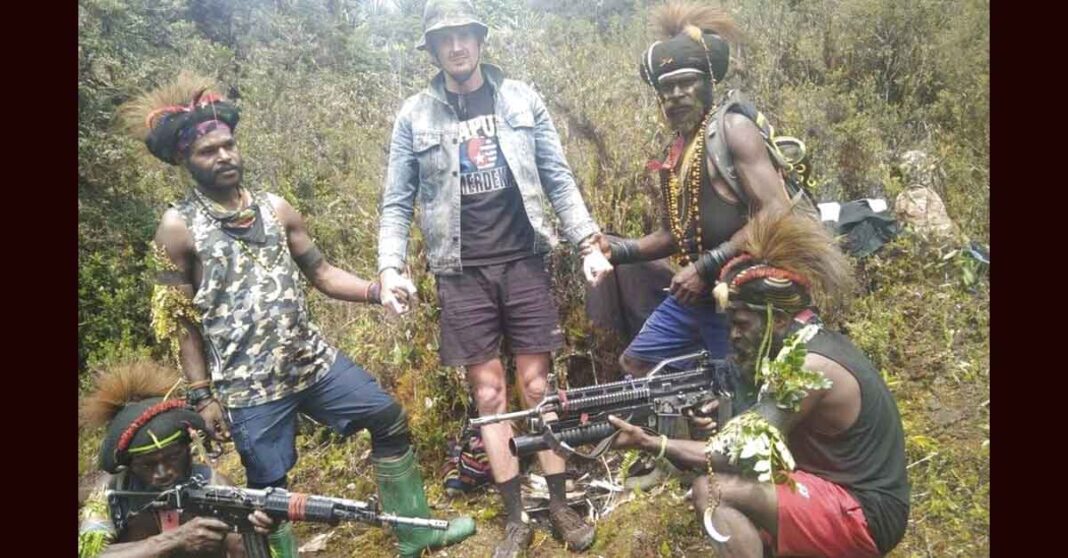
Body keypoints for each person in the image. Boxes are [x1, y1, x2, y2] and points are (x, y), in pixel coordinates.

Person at [121, 72, 474, 558]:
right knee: (269, 492)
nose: (223, 156)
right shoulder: (178, 228)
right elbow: (181, 322)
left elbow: (323, 273)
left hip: (311, 362)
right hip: (249, 386)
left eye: (228, 146)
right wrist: (203, 397)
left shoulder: (275, 208)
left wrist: (378, 289)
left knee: (387, 417)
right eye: (209, 151)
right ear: (185, 159)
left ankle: (416, 533)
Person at [376, 1, 613, 554]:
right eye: (445, 39)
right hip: (460, 272)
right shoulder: (414, 115)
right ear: (432, 50)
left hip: (524, 261)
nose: (456, 47)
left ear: (480, 42)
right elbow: (396, 201)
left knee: (537, 387)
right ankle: (514, 517)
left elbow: (557, 176)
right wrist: (390, 266)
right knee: (489, 394)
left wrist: (587, 242)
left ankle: (558, 503)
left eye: (464, 36)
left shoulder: (520, 98)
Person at [608, 210, 910, 557]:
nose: (733, 335)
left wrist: (652, 442)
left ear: (777, 319)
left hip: (867, 516)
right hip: (834, 493)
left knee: (714, 491)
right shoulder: (801, 346)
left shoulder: (806, 367)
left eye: (741, 323)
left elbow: (733, 457)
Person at [592, 2, 791, 406]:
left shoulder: (733, 130)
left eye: (687, 82)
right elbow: (673, 234)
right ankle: (689, 427)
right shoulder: (677, 151)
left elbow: (776, 210)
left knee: (743, 390)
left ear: (708, 83)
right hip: (697, 292)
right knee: (639, 362)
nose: (677, 95)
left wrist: (704, 267)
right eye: (667, 88)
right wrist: (620, 249)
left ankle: (722, 431)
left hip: (742, 289)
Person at [78, 361, 276, 557]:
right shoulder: (110, 491)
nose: (163, 473)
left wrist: (259, 529)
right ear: (129, 464)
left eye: (172, 457)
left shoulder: (215, 485)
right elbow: (90, 554)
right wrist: (172, 540)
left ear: (187, 448)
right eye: (147, 464)